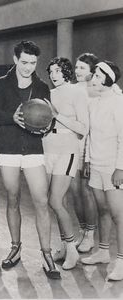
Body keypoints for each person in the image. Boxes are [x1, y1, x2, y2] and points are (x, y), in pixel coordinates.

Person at [0, 40, 60, 279]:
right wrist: (13, 117)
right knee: (12, 198)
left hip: (32, 149)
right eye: (25, 62)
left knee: (41, 200)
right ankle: (15, 248)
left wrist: (45, 126)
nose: (29, 67)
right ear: (16, 59)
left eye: (33, 62)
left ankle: (47, 254)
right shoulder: (1, 84)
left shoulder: (41, 87)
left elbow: (48, 119)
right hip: (8, 148)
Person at [44, 57, 89, 270]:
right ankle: (64, 244)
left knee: (55, 200)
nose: (54, 75)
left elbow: (83, 128)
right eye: (51, 71)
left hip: (67, 150)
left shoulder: (77, 92)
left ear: (66, 72)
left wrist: (57, 115)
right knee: (58, 202)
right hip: (47, 149)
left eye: (58, 71)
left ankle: (72, 249)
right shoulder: (49, 94)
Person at [81, 61, 123, 281]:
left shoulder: (119, 103)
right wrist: (88, 160)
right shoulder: (94, 103)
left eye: (97, 75)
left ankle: (122, 260)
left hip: (113, 167)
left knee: (119, 215)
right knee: (102, 209)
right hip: (96, 165)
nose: (93, 78)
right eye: (93, 75)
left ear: (108, 79)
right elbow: (90, 135)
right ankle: (104, 251)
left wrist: (120, 168)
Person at [70, 53, 99, 253]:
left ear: (92, 72)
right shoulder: (71, 90)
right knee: (74, 192)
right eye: (77, 67)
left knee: (86, 191)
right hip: (70, 147)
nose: (77, 71)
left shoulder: (95, 92)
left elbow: (93, 127)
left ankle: (90, 233)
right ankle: (82, 230)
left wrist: (88, 157)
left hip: (88, 149)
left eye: (82, 68)